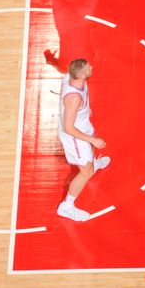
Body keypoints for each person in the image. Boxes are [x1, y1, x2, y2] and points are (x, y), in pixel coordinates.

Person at [56, 58, 111, 221]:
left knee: (92, 143)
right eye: (88, 67)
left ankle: (92, 163)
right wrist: (92, 140)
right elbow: (68, 127)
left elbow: (63, 69)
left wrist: (53, 62)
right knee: (85, 171)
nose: (91, 67)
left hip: (83, 124)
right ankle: (66, 207)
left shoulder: (70, 76)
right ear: (81, 75)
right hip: (74, 134)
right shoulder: (73, 98)